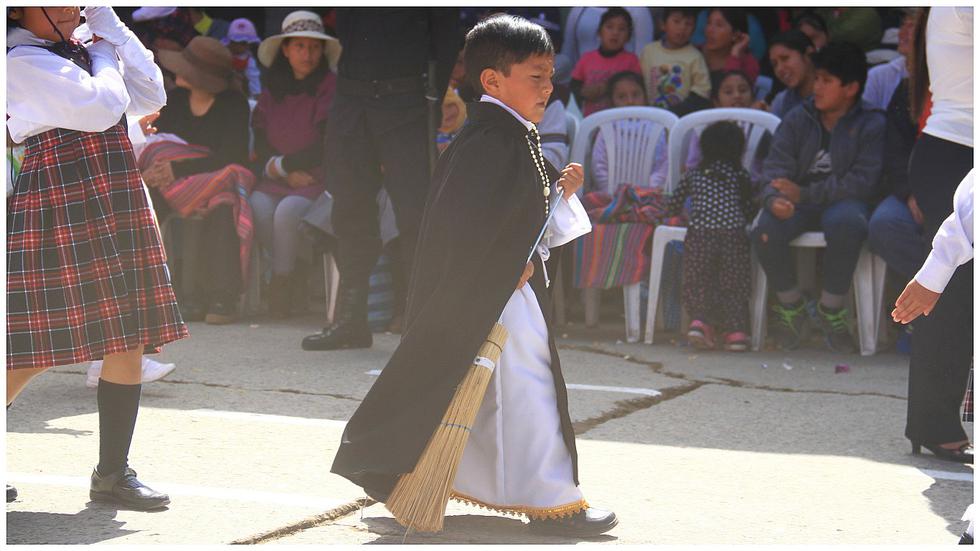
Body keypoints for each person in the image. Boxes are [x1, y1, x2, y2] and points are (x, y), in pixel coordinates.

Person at [331, 14, 618, 537]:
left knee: (495, 397)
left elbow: (512, 214)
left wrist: (558, 197)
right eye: (535, 76)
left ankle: (434, 480)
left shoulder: (507, 135)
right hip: (493, 292)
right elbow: (464, 228)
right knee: (529, 391)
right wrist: (508, 265)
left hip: (501, 289)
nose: (548, 87)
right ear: (492, 81)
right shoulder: (490, 140)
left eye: (550, 75)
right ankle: (555, 502)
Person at [6, 6, 185, 508]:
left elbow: (151, 92)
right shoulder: (19, 58)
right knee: (31, 348)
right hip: (59, 194)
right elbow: (103, 107)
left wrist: (113, 28)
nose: (76, 6)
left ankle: (112, 474)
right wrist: (103, 50)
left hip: (112, 187)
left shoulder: (83, 46)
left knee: (126, 334)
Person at [301, 8, 460, 351]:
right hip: (352, 98)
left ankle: (421, 322)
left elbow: (446, 36)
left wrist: (430, 101)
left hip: (407, 101)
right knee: (349, 211)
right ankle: (352, 320)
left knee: (414, 215)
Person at [751, 41, 885, 353]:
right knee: (766, 228)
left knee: (848, 221)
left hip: (842, 203)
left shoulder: (872, 122)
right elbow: (774, 168)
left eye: (826, 81)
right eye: (817, 79)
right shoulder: (800, 117)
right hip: (797, 202)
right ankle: (792, 305)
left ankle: (831, 308)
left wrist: (805, 193)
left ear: (850, 88)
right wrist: (773, 199)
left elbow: (863, 182)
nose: (817, 87)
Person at [903, 6, 973, 464]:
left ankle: (934, 421)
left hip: (953, 152)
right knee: (950, 293)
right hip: (955, 153)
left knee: (957, 294)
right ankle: (933, 422)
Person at [148, 36, 252, 325]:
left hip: (218, 182)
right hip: (173, 186)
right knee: (143, 207)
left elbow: (233, 156)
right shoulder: (177, 101)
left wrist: (180, 171)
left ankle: (221, 297)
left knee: (222, 208)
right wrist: (157, 171)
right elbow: (159, 144)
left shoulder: (234, 104)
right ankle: (157, 296)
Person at [250, 11, 339, 318]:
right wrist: (281, 169)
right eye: (299, 46)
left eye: (314, 47)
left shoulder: (330, 85)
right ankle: (294, 272)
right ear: (285, 50)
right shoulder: (271, 87)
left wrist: (284, 168)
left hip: (316, 175)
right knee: (258, 206)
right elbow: (260, 137)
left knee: (287, 212)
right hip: (278, 175)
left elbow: (327, 141)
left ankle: (282, 285)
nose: (308, 54)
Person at [667, 121, 755, 351]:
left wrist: (675, 215)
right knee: (733, 283)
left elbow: (674, 203)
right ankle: (735, 331)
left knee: (699, 279)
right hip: (733, 236)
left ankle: (699, 323)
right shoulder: (739, 174)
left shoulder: (694, 175)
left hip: (700, 235)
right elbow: (748, 206)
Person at [590, 71, 667, 191]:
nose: (630, 101)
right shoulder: (606, 129)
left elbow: (662, 167)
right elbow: (599, 166)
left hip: (648, 196)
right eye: (622, 97)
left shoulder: (656, 128)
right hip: (609, 196)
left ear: (645, 96)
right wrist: (614, 193)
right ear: (612, 100)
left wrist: (644, 192)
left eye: (636, 95)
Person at [569, 7, 642, 117]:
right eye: (609, 27)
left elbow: (637, 92)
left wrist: (608, 86)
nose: (615, 33)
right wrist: (584, 93)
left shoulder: (631, 60)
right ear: (599, 32)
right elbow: (573, 88)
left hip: (621, 120)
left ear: (628, 37)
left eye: (621, 29)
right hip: (591, 121)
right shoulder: (586, 59)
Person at [639, 8, 711, 111]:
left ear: (694, 29)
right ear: (663, 24)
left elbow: (702, 92)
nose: (682, 28)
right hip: (652, 116)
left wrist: (679, 111)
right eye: (676, 21)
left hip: (681, 119)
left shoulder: (695, 57)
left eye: (688, 24)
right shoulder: (648, 51)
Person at [700, 8, 759, 85]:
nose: (710, 30)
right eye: (709, 23)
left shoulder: (749, 63)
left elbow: (736, 93)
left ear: (735, 34)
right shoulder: (695, 52)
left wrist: (735, 55)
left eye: (719, 25)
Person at [766, 30, 816, 119]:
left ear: (808, 54)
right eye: (774, 64)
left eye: (785, 58)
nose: (779, 69)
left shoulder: (833, 94)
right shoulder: (781, 102)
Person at [223, 17, 262, 99]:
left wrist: (256, 94)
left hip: (239, 90)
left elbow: (253, 78)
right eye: (242, 43)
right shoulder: (222, 52)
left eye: (248, 44)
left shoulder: (248, 60)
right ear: (231, 42)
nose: (245, 47)